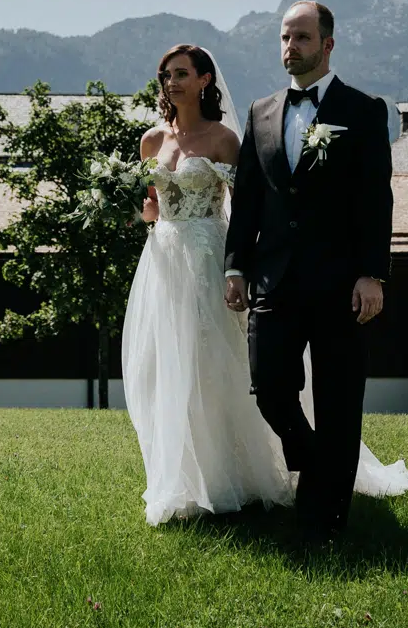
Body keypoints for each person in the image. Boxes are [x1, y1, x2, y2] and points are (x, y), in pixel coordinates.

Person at [224, 1, 408, 541]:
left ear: (327, 45)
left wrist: (373, 273)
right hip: (274, 280)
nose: (291, 48)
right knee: (270, 390)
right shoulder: (260, 112)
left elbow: (376, 199)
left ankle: (324, 523)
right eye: (285, 38)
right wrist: (235, 265)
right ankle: (316, 461)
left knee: (338, 402)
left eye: (302, 38)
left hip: (341, 282)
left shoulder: (363, 109)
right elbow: (250, 200)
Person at [121, 43, 293, 524]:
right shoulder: (151, 141)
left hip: (208, 256)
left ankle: (233, 474)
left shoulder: (223, 140)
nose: (171, 82)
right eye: (165, 75)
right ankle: (179, 477)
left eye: (181, 73)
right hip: (163, 261)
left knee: (213, 363)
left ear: (204, 80)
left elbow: (244, 211)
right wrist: (140, 211)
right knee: (165, 365)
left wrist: (240, 268)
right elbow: (152, 205)